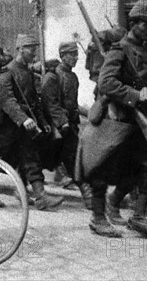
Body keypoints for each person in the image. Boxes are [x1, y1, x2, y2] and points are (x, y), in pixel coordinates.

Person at [95, 0, 147, 238]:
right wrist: (134, 94)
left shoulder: (145, 51)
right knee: (109, 169)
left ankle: (138, 216)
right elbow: (106, 82)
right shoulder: (119, 50)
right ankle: (101, 214)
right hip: (121, 120)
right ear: (134, 24)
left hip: (141, 119)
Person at [0, 34, 64, 211]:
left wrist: (42, 121)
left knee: (29, 157)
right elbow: (7, 100)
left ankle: (40, 196)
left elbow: (34, 102)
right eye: (31, 48)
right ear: (20, 49)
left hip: (23, 126)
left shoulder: (28, 72)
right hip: (6, 126)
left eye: (35, 48)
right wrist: (23, 119)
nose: (34, 53)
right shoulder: (7, 72)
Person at [41, 41, 92, 208]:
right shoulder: (54, 76)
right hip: (57, 127)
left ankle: (87, 194)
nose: (76, 58)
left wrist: (89, 114)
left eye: (76, 54)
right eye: (72, 54)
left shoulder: (73, 77)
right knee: (42, 158)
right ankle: (29, 189)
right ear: (62, 56)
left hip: (70, 126)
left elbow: (73, 104)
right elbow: (50, 103)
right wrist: (62, 122)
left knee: (74, 158)